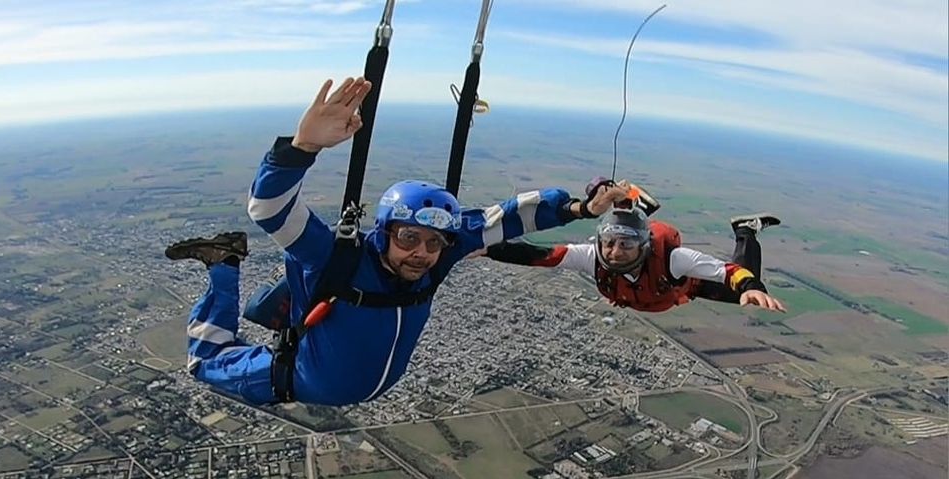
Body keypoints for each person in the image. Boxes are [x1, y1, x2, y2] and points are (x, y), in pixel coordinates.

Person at [165, 76, 632, 407]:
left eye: (434, 243)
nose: (423, 253)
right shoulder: (337, 256)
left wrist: (580, 210)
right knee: (204, 362)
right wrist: (302, 147)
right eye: (409, 238)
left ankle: (228, 266)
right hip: (298, 380)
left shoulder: (438, 259)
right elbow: (269, 209)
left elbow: (506, 218)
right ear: (384, 231)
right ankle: (224, 264)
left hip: (338, 384)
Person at [483, 185, 786, 313]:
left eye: (626, 244)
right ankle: (634, 205)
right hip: (661, 294)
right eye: (609, 243)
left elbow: (727, 271)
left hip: (687, 286)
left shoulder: (674, 259)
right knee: (621, 228)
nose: (614, 252)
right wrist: (487, 248)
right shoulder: (593, 257)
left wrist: (751, 285)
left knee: (742, 297)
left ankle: (745, 230)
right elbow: (539, 256)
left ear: (643, 246)